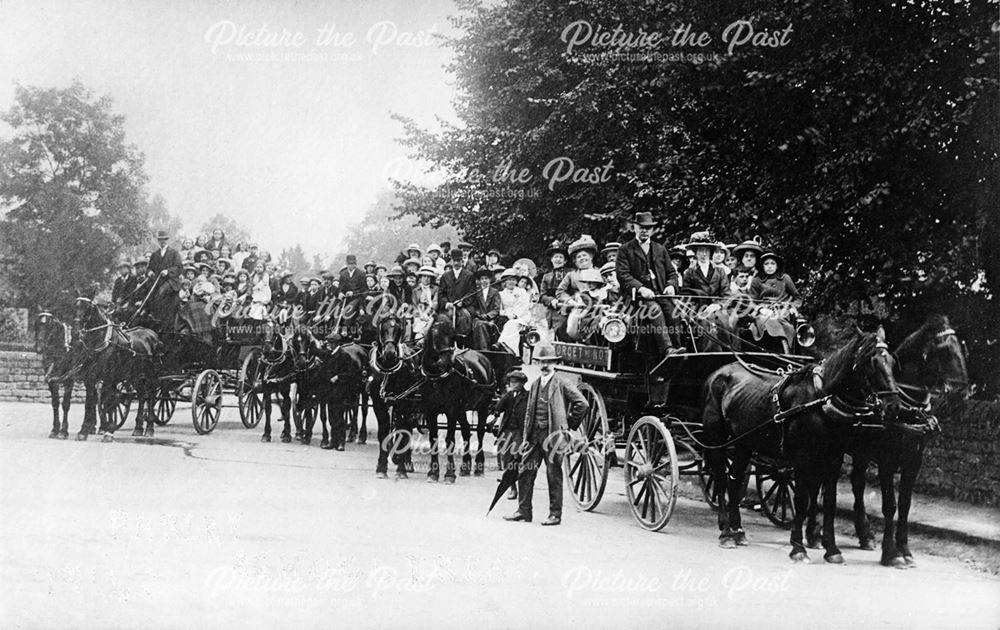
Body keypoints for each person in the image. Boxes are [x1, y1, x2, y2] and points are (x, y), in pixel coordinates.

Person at [504, 345, 589, 526]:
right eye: (541, 362)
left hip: (553, 437)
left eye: (548, 362)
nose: (544, 365)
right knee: (525, 472)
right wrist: (526, 436)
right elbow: (529, 412)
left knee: (553, 475)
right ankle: (524, 511)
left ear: (555, 363)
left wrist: (569, 424)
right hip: (534, 436)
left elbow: (582, 404)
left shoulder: (562, 383)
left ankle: (555, 514)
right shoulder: (535, 384)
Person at [615, 212, 683, 359]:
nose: (644, 230)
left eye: (648, 227)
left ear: (652, 230)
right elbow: (623, 275)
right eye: (641, 227)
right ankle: (667, 349)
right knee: (654, 310)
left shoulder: (660, 249)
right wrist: (641, 288)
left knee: (673, 310)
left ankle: (677, 349)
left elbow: (672, 273)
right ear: (634, 228)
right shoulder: (625, 250)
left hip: (659, 295)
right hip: (635, 300)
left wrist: (671, 285)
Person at [490, 370, 529, 500]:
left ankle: (518, 484)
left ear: (522, 384)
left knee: (517, 458)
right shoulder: (508, 395)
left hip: (519, 432)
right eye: (511, 382)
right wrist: (494, 416)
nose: (512, 384)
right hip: (507, 431)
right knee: (506, 459)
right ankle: (512, 487)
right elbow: (498, 408)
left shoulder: (527, 397)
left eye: (515, 382)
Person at [145, 230, 184, 332]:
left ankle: (166, 325)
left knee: (161, 293)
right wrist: (149, 272)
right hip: (157, 282)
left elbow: (179, 268)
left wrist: (168, 271)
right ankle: (153, 318)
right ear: (158, 241)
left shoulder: (174, 253)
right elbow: (149, 268)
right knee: (149, 295)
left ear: (167, 240)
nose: (163, 241)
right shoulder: (154, 254)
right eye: (160, 240)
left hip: (171, 282)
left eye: (165, 239)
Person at [437, 249, 476, 340]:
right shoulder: (445, 276)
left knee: (463, 319)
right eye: (454, 261)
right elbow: (441, 293)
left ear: (462, 261)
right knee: (444, 319)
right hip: (449, 307)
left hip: (464, 307)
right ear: (452, 261)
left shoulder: (469, 275)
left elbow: (472, 292)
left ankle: (461, 342)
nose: (456, 263)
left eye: (458, 261)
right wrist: (446, 304)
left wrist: (463, 301)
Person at [682, 232, 730, 300]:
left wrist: (718, 305)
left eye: (707, 250)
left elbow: (726, 294)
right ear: (695, 252)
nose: (704, 254)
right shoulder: (689, 273)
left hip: (717, 308)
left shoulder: (720, 271)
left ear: (711, 252)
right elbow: (686, 296)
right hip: (697, 308)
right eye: (701, 250)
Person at [539, 241, 570, 336]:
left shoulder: (570, 274)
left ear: (565, 261)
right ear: (552, 259)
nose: (558, 259)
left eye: (561, 257)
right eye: (556, 257)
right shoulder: (546, 276)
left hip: (565, 311)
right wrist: (551, 300)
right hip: (549, 313)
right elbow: (542, 295)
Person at [467, 268, 502, 351]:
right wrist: (479, 314)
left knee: (484, 325)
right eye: (482, 279)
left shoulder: (495, 292)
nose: (484, 281)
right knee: (479, 324)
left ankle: (485, 350)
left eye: (486, 278)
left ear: (490, 279)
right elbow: (473, 306)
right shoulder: (476, 292)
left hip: (492, 320)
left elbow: (497, 309)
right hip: (478, 319)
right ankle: (483, 349)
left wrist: (488, 316)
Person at [497, 269, 531, 353]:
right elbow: (500, 309)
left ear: (516, 281)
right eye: (509, 280)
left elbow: (525, 306)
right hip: (507, 317)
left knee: (511, 324)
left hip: (522, 317)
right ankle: (509, 349)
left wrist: (516, 315)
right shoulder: (501, 294)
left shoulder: (522, 292)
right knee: (509, 324)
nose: (511, 282)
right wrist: (507, 314)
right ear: (504, 281)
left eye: (513, 280)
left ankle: (503, 345)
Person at [412, 266, 438, 339]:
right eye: (424, 276)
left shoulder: (435, 289)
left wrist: (428, 312)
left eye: (428, 277)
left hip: (431, 313)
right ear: (420, 278)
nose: (426, 279)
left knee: (431, 322)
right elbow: (414, 304)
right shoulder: (416, 290)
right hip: (419, 313)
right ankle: (418, 339)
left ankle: (423, 335)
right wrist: (419, 313)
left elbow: (435, 302)